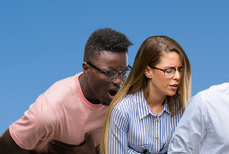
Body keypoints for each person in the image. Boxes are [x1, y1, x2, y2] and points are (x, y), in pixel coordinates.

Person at [0, 28, 132, 154]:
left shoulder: (119, 105)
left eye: (124, 72)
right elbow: (4, 147)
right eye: (110, 73)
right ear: (86, 69)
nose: (119, 81)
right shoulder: (50, 111)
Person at [100, 35, 192, 154]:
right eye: (169, 70)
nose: (178, 77)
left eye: (179, 69)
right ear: (148, 71)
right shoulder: (122, 111)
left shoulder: (184, 109)